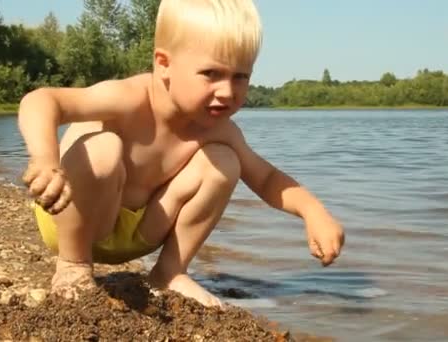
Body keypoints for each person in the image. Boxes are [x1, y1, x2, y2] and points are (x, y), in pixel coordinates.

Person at [18, 0, 345, 307]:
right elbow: (43, 101)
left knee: (225, 162)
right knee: (103, 147)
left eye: (240, 76)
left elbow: (266, 177)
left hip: (140, 232)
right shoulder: (129, 99)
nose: (227, 91)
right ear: (164, 65)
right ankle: (73, 265)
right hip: (76, 218)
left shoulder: (221, 131)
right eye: (211, 74)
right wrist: (46, 159)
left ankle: (169, 273)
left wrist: (312, 210)